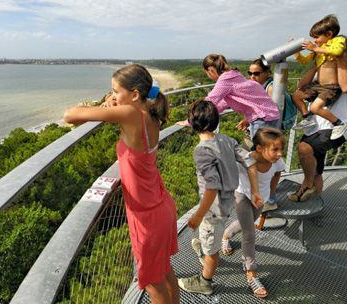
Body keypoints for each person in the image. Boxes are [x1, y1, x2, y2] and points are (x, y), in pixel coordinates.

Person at [63, 64, 180, 304]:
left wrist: (105, 105)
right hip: (160, 205)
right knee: (164, 270)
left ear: (135, 94)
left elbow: (70, 116)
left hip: (146, 217)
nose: (113, 95)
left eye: (116, 90)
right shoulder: (149, 113)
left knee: (151, 282)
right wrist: (114, 100)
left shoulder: (130, 115)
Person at [177, 99, 262, 296]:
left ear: (193, 123)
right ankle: (206, 247)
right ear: (216, 121)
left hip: (212, 210)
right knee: (210, 234)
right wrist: (255, 191)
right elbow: (250, 161)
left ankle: (205, 281)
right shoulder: (226, 140)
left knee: (212, 247)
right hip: (226, 202)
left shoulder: (202, 150)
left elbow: (211, 186)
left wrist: (198, 214)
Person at [289, 36, 347, 202]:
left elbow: (345, 87)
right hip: (314, 126)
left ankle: (306, 184)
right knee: (316, 168)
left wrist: (340, 60)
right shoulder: (324, 71)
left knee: (304, 149)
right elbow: (301, 88)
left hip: (336, 128)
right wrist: (317, 64)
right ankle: (315, 204)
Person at [221, 127, 285, 298]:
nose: (280, 153)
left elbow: (278, 172)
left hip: (260, 199)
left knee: (247, 224)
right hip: (242, 196)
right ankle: (251, 273)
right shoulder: (246, 160)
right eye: (275, 149)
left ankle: (227, 234)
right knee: (249, 233)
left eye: (281, 149)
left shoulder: (277, 161)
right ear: (259, 149)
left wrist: (272, 190)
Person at [179, 54, 280, 138]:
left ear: (210, 70)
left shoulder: (225, 79)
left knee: (261, 155)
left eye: (207, 73)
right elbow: (220, 105)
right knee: (265, 153)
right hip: (270, 117)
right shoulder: (233, 75)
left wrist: (190, 121)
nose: (208, 76)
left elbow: (208, 103)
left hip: (263, 118)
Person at [292, 14, 347, 140]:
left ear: (329, 34)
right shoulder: (319, 49)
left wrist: (316, 48)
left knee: (315, 107)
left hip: (331, 87)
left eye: (316, 37)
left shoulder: (338, 41)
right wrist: (297, 53)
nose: (315, 41)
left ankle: (339, 124)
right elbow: (305, 61)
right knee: (296, 96)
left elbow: (337, 51)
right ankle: (308, 118)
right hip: (318, 85)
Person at [237, 58, 297, 131]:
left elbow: (275, 112)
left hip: (282, 122)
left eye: (256, 73)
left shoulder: (271, 88)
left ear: (267, 72)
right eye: (250, 73)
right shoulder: (260, 85)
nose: (252, 76)